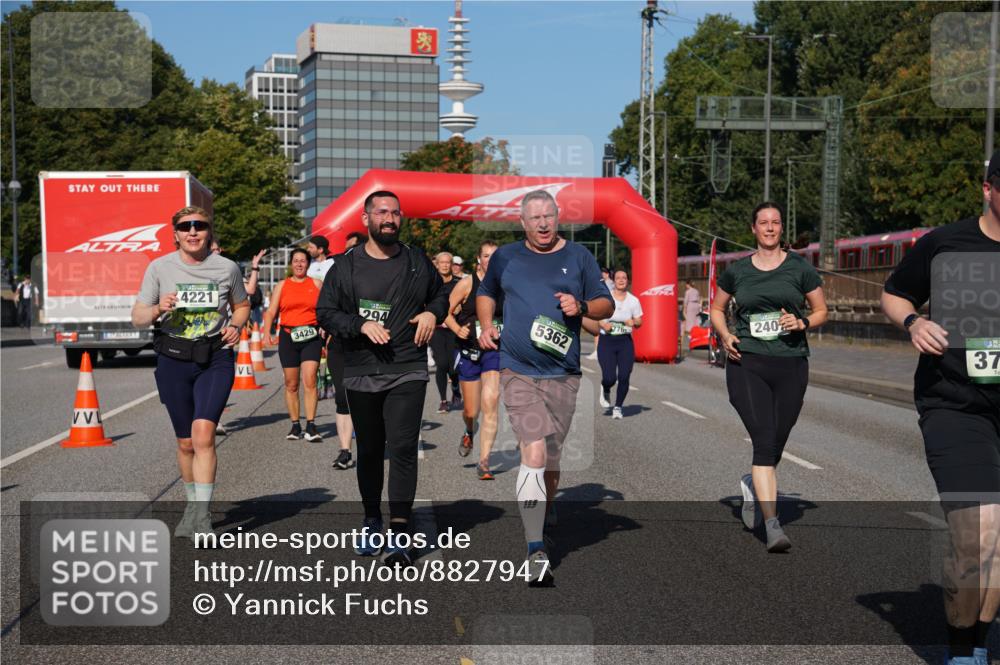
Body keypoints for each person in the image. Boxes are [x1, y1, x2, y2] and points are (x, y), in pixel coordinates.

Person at [880, 151, 1000, 665]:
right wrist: (914, 324)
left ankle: (977, 641)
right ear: (988, 189)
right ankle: (962, 652)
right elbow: (895, 294)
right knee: (979, 531)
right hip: (956, 405)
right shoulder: (946, 244)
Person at [477, 189, 613, 586]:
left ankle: (545, 504)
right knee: (532, 449)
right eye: (534, 217)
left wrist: (582, 307)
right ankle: (535, 547)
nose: (542, 223)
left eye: (548, 216)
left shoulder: (579, 258)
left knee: (551, 457)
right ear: (523, 223)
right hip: (517, 368)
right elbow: (486, 293)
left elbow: (606, 305)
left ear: (558, 218)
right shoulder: (506, 256)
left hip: (563, 372)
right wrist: (487, 325)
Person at [316, 190, 448, 567]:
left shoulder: (416, 261)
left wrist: (431, 315)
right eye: (381, 213)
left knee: (403, 448)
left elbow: (440, 296)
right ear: (366, 218)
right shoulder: (345, 266)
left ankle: (401, 534)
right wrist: (359, 325)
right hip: (360, 369)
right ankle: (372, 518)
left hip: (406, 366)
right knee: (371, 450)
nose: (389, 219)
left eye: (395, 212)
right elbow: (325, 313)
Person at [710, 201, 827, 553]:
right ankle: (773, 526)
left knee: (778, 438)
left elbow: (822, 310)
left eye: (776, 223)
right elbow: (716, 308)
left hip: (791, 363)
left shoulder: (800, 269)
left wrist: (802, 322)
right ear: (754, 229)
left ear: (780, 229)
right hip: (748, 363)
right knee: (763, 441)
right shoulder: (738, 271)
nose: (771, 228)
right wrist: (725, 334)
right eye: (764, 223)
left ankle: (752, 483)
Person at [132, 206, 249, 539]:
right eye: (186, 227)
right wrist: (158, 308)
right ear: (176, 234)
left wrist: (237, 326)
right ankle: (190, 505)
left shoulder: (227, 268)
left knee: (203, 436)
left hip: (215, 357)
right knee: (185, 443)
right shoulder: (159, 268)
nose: (193, 232)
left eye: (200, 226)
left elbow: (241, 305)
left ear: (209, 231)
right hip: (173, 358)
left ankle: (202, 516)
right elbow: (137, 316)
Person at [445, 240, 501, 479]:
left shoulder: (505, 284)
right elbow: (443, 312)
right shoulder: (467, 283)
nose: (491, 260)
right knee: (471, 410)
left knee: (492, 402)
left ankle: (484, 462)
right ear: (479, 259)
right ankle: (469, 430)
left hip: (494, 351)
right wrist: (457, 328)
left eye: (495, 256)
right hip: (469, 351)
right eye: (487, 256)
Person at [262, 248, 325, 442]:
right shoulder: (282, 285)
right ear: (291, 264)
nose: (299, 264)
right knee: (291, 384)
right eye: (296, 261)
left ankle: (311, 425)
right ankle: (295, 424)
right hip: (288, 336)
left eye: (303, 261)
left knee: (310, 380)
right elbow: (271, 311)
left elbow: (326, 310)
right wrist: (266, 333)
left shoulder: (316, 284)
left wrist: (325, 327)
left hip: (311, 336)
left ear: (308, 264)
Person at [592, 268, 643, 419]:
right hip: (607, 342)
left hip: (625, 342)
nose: (621, 280)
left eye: (624, 278)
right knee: (609, 378)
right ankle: (606, 387)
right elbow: (595, 315)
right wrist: (602, 324)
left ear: (628, 281)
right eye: (618, 278)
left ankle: (618, 407)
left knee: (624, 376)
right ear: (613, 280)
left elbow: (640, 321)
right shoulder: (606, 299)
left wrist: (634, 321)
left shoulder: (633, 300)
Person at [429, 251, 463, 413]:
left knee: (453, 366)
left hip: (454, 328)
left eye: (447, 262)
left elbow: (467, 300)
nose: (444, 265)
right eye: (441, 262)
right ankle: (443, 400)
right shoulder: (431, 282)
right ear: (437, 264)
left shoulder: (459, 282)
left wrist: (460, 306)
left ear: (451, 265)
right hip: (436, 329)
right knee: (441, 364)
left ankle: (456, 390)